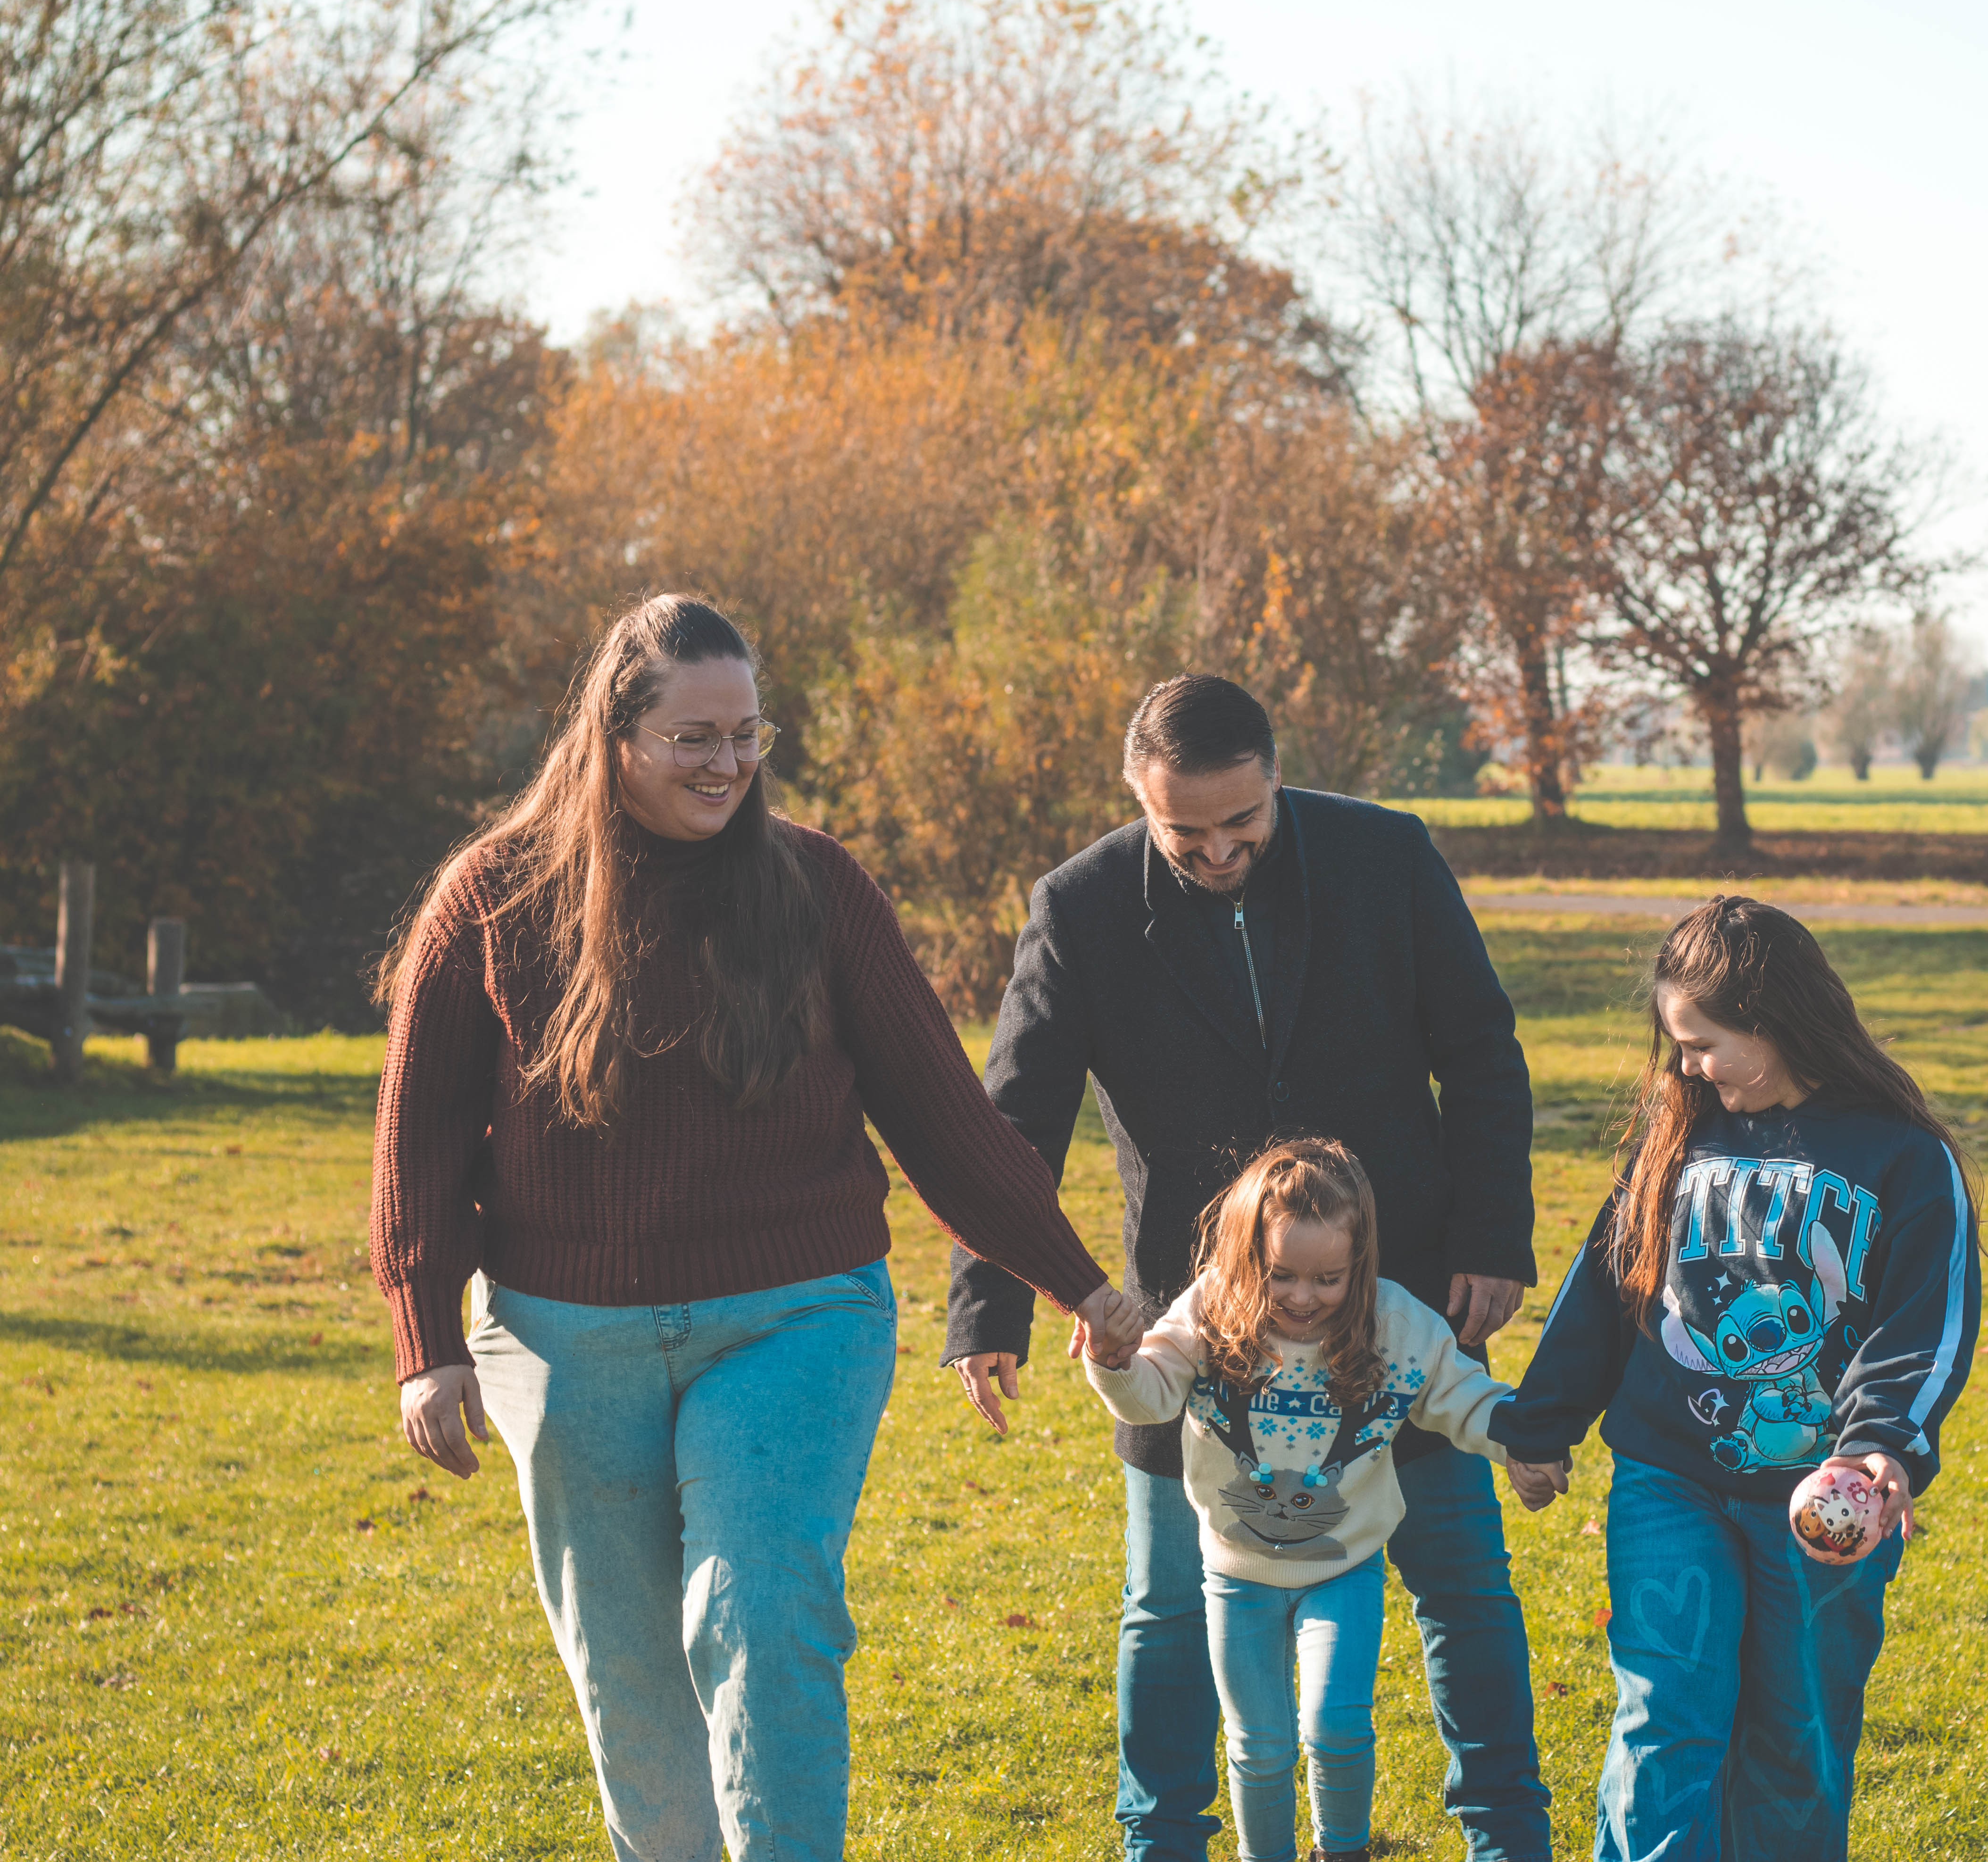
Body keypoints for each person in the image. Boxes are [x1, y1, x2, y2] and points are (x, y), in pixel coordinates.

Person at [370, 595, 1142, 1862]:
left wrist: (1080, 1284)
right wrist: (425, 1341)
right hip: (567, 1336)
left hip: (798, 1312)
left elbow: (943, 1115)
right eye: (694, 738)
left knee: (761, 1613)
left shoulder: (815, 885)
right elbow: (423, 1136)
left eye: (746, 734)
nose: (728, 764)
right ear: (615, 735)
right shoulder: (495, 897)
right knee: (628, 1670)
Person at [946, 674, 1550, 1862]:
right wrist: (988, 1302)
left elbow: (1483, 1051)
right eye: (1186, 832)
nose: (1219, 851)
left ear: (1277, 775)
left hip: (1397, 1297)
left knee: (1463, 1587)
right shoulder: (1079, 905)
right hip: (1196, 1324)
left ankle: (1506, 1836)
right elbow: (1014, 1119)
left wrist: (1492, 1236)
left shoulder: (1388, 857)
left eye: (1243, 822)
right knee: (1168, 1607)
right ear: (1139, 797)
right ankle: (1163, 1840)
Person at [1491, 894, 1982, 1862]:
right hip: (1667, 1482)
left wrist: (1882, 1442)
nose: (1686, 1067)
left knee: (1796, 1737)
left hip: (1826, 1504)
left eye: (1703, 1044)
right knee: (1664, 1717)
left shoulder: (1904, 1157)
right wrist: (1541, 1422)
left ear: (1772, 1022)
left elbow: (1925, 1323)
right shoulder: (1678, 1141)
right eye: (1679, 1046)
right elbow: (1606, 1287)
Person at [1087, 1140, 1517, 1862]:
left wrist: (1525, 1442)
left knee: (1335, 1726)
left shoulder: (1397, 1325)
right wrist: (1113, 1360)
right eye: (1280, 1274)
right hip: (1236, 1577)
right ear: (1246, 1256)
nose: (1303, 1297)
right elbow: (1149, 1396)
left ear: (1360, 1263)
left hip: (1344, 1570)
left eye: (1328, 1279)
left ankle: (1342, 1852)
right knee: (1259, 1747)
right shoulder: (1211, 1311)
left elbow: (1462, 1396)